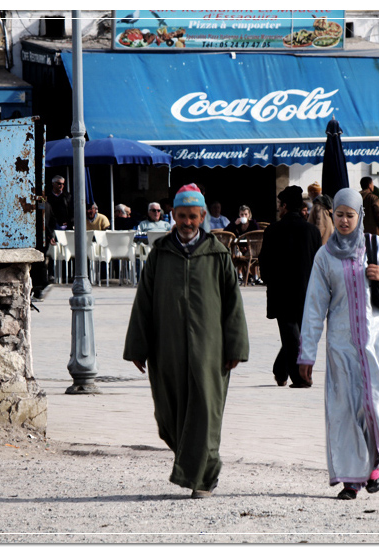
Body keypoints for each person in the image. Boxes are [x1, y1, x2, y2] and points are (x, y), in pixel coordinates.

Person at [123, 183, 250, 499]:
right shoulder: (160, 254)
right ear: (173, 215)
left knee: (206, 411)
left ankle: (204, 477)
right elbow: (144, 302)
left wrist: (236, 347)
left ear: (203, 215)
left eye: (193, 216)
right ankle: (194, 464)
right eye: (182, 216)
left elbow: (233, 305)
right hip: (167, 349)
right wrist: (138, 347)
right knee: (170, 412)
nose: (188, 222)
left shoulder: (218, 255)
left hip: (211, 351)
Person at [298, 188, 379, 500]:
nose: (344, 220)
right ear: (332, 215)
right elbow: (315, 307)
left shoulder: (377, 246)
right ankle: (351, 481)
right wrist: (306, 354)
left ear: (359, 217)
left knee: (371, 405)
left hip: (375, 343)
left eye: (350, 215)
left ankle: (372, 464)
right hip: (341, 347)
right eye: (339, 214)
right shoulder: (324, 256)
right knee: (344, 411)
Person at [258, 186, 322, 388]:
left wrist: (271, 281)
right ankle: (290, 373)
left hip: (281, 292)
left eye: (279, 205)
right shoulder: (313, 231)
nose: (278, 209)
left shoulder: (273, 230)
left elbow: (264, 263)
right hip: (307, 291)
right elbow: (319, 262)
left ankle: (295, 376)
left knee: (290, 336)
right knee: (298, 336)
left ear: (284, 206)